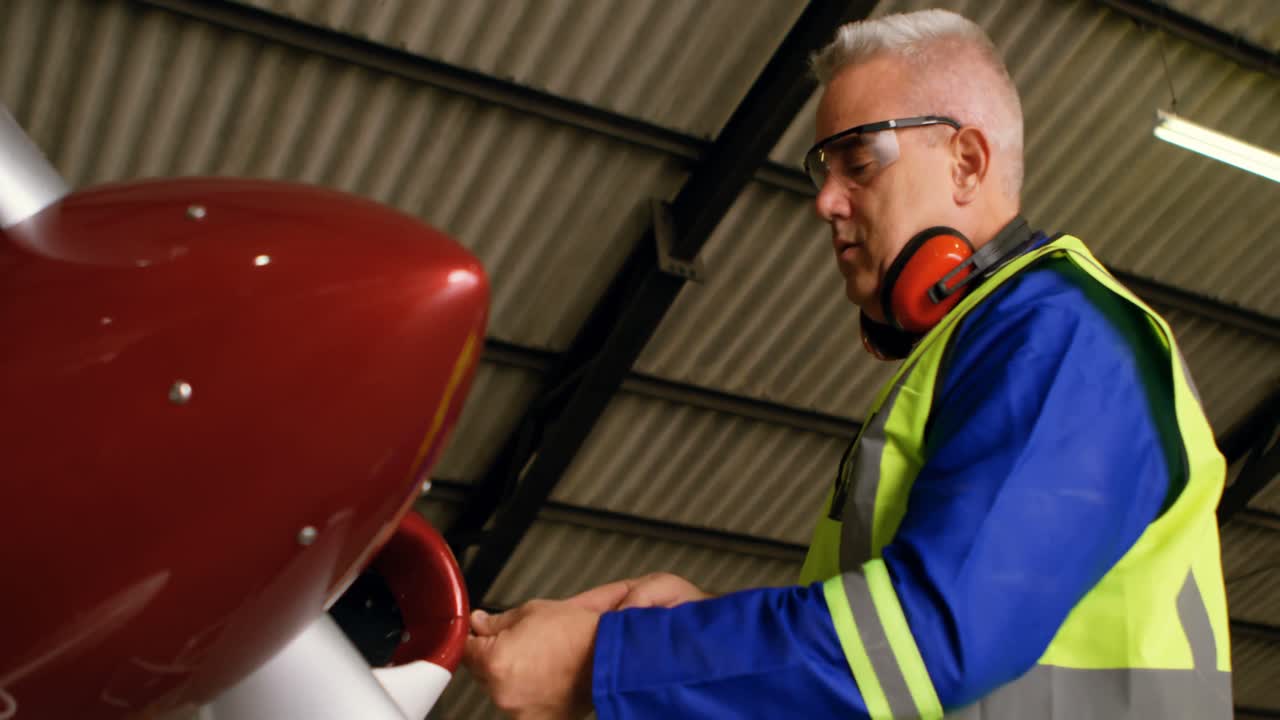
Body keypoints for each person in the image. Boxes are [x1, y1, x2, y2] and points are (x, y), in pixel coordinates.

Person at [463, 9, 1233, 719]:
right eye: (822, 170)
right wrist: (701, 627)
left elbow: (925, 643)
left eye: (858, 161)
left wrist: (607, 663)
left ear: (966, 162)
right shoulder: (988, 347)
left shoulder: (1064, 340)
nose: (825, 201)